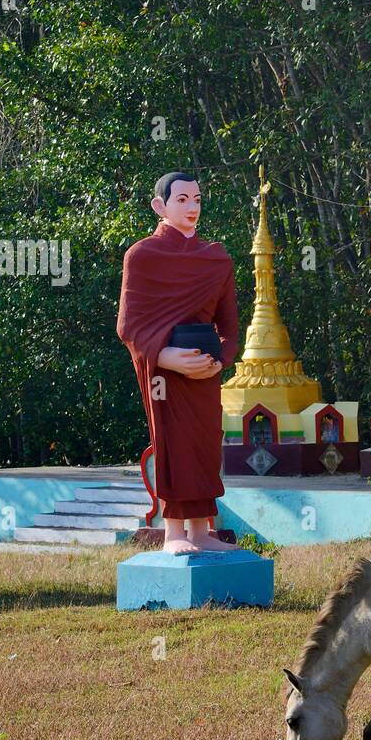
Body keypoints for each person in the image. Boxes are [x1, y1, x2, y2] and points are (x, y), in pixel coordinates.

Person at [118, 172, 240, 553]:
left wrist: (221, 359)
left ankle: (202, 531)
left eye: (197, 200)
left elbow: (230, 326)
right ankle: (173, 532)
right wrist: (166, 356)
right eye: (182, 199)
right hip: (164, 372)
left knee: (205, 445)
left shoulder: (216, 258)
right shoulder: (142, 255)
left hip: (204, 370)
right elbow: (129, 325)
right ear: (160, 206)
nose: (191, 208)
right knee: (172, 443)